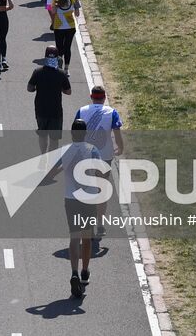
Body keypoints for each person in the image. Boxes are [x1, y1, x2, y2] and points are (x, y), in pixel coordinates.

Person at [76, 84, 124, 253]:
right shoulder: (111, 112)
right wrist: (120, 146)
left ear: (91, 96)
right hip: (104, 154)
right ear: (104, 97)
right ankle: (100, 224)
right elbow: (117, 131)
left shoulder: (81, 111)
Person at [61, 119, 101, 299]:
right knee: (87, 238)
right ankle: (85, 271)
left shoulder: (65, 151)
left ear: (71, 133)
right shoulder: (92, 150)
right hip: (89, 198)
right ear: (85, 133)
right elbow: (101, 172)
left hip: (71, 199)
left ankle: (74, 272)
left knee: (73, 237)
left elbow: (53, 170)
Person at [28, 45, 72, 153]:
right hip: (55, 110)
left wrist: (37, 88)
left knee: (42, 134)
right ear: (57, 58)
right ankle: (52, 159)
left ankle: (43, 155)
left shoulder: (38, 72)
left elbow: (30, 88)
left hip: (40, 108)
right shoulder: (61, 74)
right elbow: (68, 91)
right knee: (54, 138)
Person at [50, 0, 80, 70]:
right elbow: (77, 14)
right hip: (70, 26)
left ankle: (59, 65)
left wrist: (55, 6)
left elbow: (53, 11)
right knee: (67, 47)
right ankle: (66, 69)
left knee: (59, 47)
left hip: (58, 26)